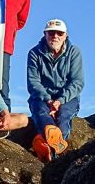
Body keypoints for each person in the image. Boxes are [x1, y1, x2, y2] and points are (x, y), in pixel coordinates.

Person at [26, 19, 84, 161]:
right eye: (51, 33)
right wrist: (48, 100)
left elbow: (77, 82)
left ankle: (46, 146)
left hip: (67, 97)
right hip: (42, 97)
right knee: (41, 113)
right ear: (45, 34)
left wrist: (60, 101)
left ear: (65, 36)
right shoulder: (34, 53)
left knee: (64, 116)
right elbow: (33, 82)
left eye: (59, 33)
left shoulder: (74, 52)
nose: (55, 36)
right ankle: (52, 146)